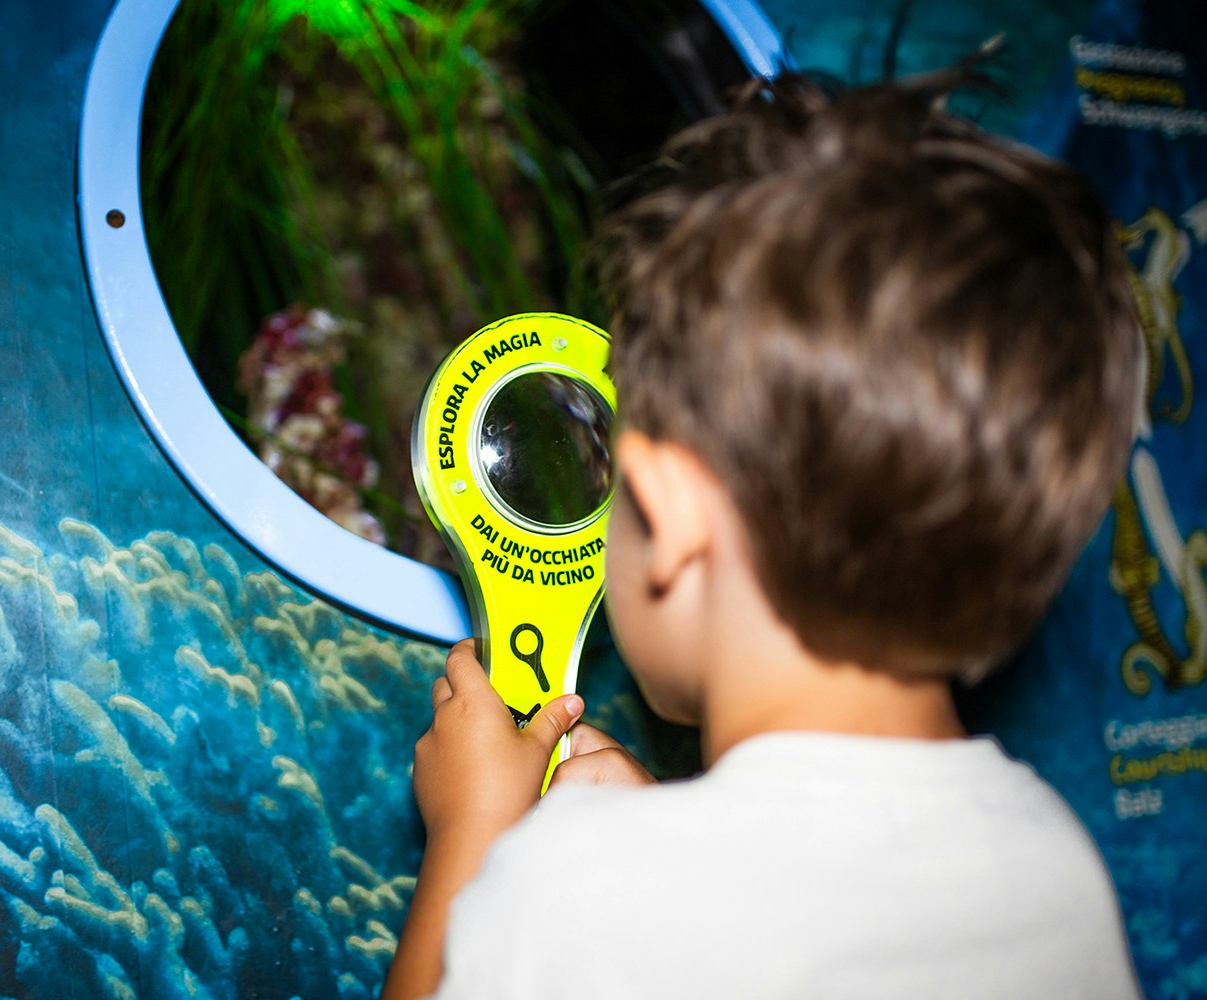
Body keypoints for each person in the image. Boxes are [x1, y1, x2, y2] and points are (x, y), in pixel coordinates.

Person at [382, 67, 1143, 1000]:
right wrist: (658, 831)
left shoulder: (571, 893)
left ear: (668, 519)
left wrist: (474, 835)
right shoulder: (1054, 866)